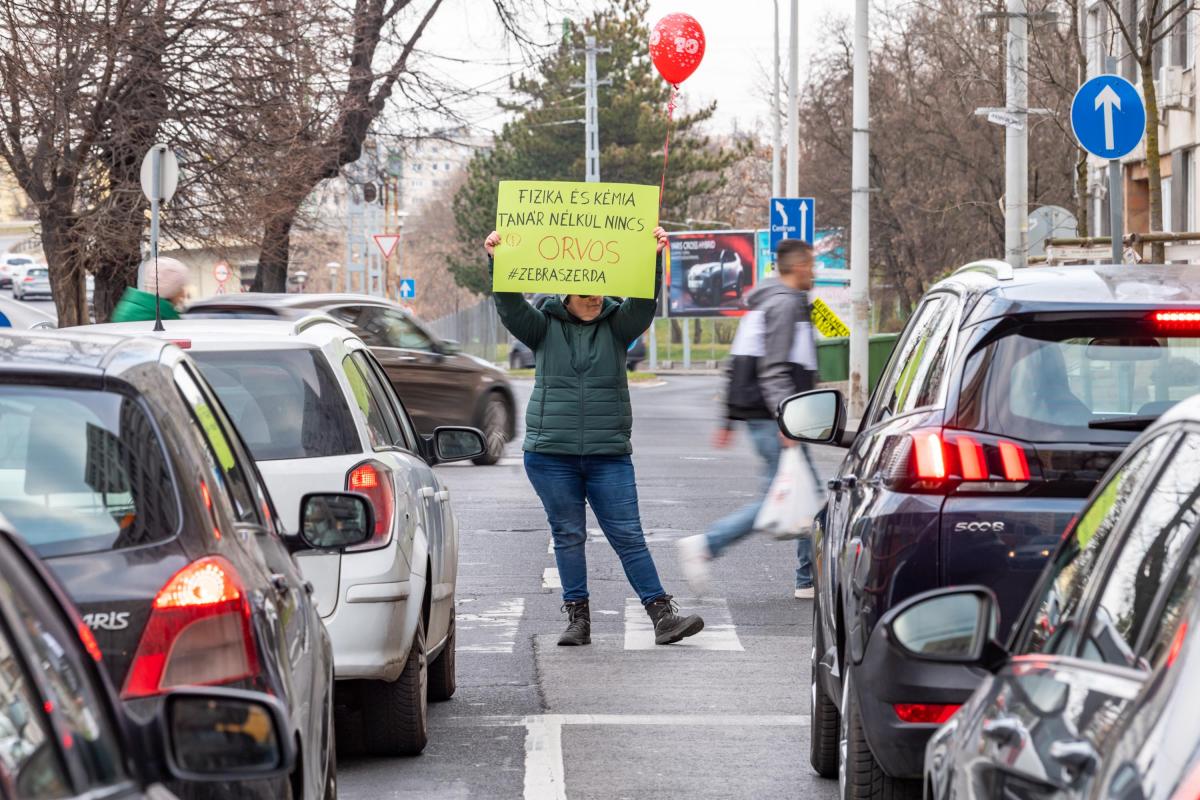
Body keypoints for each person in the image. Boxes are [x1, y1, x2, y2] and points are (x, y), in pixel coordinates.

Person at [485, 227, 705, 646]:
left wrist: (652, 257)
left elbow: (644, 301)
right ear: (566, 289)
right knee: (568, 535)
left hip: (608, 455)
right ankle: (578, 620)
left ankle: (662, 616)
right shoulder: (542, 327)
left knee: (628, 534)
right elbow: (510, 305)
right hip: (550, 455)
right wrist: (498, 259)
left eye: (601, 288)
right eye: (586, 289)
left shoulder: (618, 326)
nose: (595, 296)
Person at [677, 238, 824, 599]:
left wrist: (727, 420)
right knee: (781, 499)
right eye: (812, 264)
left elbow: (737, 363)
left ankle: (808, 580)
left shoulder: (766, 302)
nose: (815, 272)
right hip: (775, 418)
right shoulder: (785, 304)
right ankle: (707, 546)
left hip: (769, 415)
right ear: (800, 266)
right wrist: (786, 420)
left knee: (807, 497)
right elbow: (773, 369)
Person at [110, 257, 189, 323]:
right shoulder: (154, 317)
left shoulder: (136, 307)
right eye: (181, 287)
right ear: (172, 290)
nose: (184, 294)